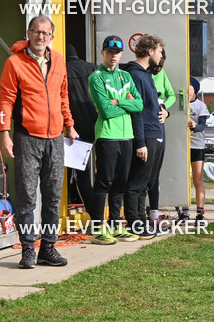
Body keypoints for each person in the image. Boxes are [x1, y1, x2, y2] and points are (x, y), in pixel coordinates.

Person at [0, 15, 78, 269]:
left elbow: (63, 95)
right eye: (36, 32)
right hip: (27, 138)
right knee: (27, 197)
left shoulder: (59, 61)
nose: (40, 37)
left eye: (45, 33)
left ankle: (48, 248)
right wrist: (4, 133)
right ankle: (27, 249)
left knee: (53, 195)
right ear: (28, 34)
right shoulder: (14, 62)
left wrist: (70, 125)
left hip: (55, 138)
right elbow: (6, 100)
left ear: (51, 37)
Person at [87, 35, 142, 245]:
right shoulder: (96, 77)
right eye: (109, 52)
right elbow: (106, 110)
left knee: (121, 183)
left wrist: (118, 100)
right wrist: (126, 103)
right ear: (103, 52)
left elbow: (140, 105)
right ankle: (99, 229)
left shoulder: (126, 77)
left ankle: (116, 225)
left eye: (117, 53)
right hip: (107, 136)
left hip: (126, 135)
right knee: (104, 182)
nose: (113, 56)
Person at [121, 34, 166, 240]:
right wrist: (140, 142)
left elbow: (150, 103)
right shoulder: (135, 75)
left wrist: (164, 110)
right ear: (150, 52)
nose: (161, 55)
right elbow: (136, 111)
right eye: (159, 51)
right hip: (145, 135)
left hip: (155, 132)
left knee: (146, 182)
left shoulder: (147, 74)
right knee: (137, 183)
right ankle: (135, 224)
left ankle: (142, 221)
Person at [65, 43, 98, 228]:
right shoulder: (92, 67)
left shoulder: (62, 71)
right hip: (99, 126)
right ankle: (105, 213)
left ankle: (95, 216)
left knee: (82, 175)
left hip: (75, 130)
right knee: (104, 174)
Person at [148, 49, 175, 223]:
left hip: (159, 125)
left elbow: (171, 95)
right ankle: (139, 214)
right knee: (144, 172)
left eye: (161, 65)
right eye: (157, 65)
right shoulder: (143, 73)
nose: (159, 68)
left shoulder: (162, 73)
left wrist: (165, 109)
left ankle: (154, 214)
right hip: (146, 127)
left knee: (155, 173)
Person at [184, 77, 209, 225]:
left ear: (194, 89)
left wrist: (194, 126)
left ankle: (200, 213)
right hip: (183, 146)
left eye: (189, 87)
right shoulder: (181, 105)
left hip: (197, 147)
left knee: (197, 179)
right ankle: (185, 212)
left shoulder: (200, 106)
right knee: (184, 179)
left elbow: (202, 126)